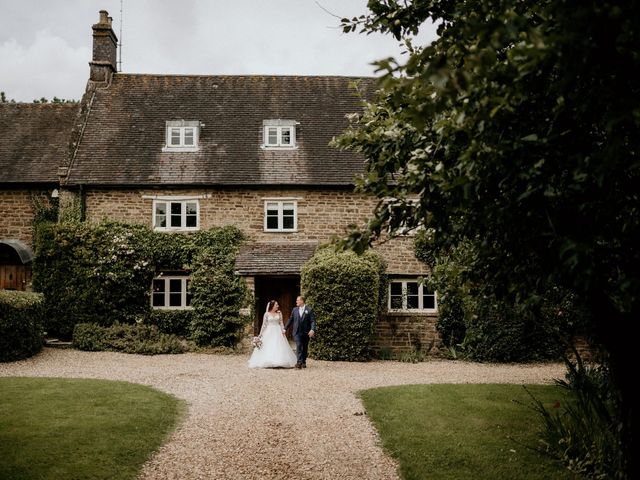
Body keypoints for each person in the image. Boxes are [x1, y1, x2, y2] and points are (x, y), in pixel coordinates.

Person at [248, 300, 297, 369]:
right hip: (269, 331)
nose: (278, 306)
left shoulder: (279, 313)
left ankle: (279, 361)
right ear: (272, 306)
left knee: (278, 345)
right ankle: (268, 361)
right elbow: (264, 325)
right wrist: (260, 334)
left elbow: (281, 322)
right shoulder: (266, 314)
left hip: (278, 331)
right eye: (276, 305)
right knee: (269, 345)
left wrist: (283, 330)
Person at [285, 295, 316, 369]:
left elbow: (312, 321)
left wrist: (312, 329)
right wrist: (285, 328)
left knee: (305, 348)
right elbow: (291, 319)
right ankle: (299, 362)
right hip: (297, 332)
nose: (296, 302)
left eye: (297, 300)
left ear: (302, 301)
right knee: (299, 345)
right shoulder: (294, 310)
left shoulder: (309, 310)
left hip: (306, 332)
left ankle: (303, 362)